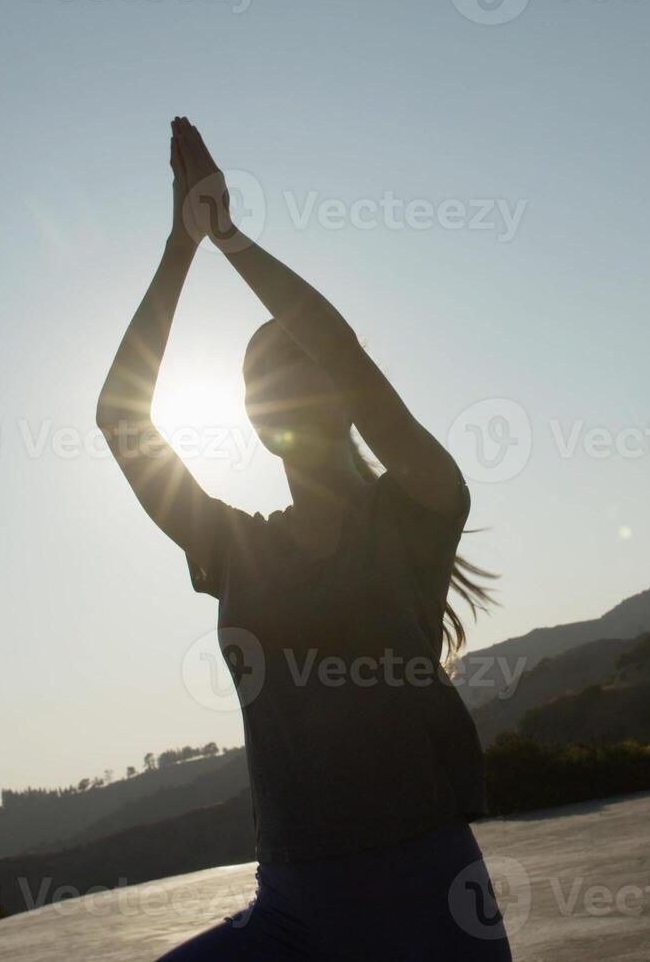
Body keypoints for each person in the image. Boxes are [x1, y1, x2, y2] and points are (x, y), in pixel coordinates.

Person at [95, 118, 514, 961]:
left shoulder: (421, 508)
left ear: (337, 388)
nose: (271, 393)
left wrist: (231, 239)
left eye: (291, 370)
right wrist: (181, 245)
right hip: (295, 914)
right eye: (255, 383)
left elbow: (339, 341)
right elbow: (120, 418)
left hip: (434, 907)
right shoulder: (239, 547)